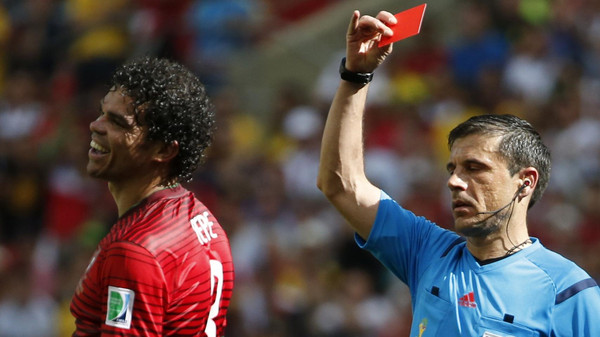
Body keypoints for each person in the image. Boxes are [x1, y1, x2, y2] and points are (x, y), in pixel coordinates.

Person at [317, 10, 600, 336]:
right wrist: (356, 76)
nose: (454, 181)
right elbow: (340, 185)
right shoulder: (426, 250)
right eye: (452, 169)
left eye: (475, 168)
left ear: (525, 182)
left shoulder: (568, 292)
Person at [71, 56, 234, 336]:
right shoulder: (204, 221)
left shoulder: (133, 250)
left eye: (119, 123)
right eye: (102, 113)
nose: (96, 125)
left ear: (163, 151)